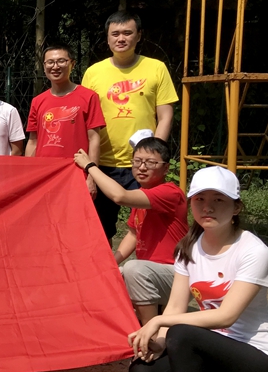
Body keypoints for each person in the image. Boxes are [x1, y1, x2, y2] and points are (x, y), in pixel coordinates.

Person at [127, 167, 268, 372]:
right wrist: (158, 343)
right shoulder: (188, 248)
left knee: (181, 332)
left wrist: (158, 323)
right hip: (213, 347)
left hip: (256, 360)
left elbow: (226, 316)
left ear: (236, 207)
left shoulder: (253, 250)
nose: (207, 207)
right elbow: (174, 308)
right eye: (199, 199)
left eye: (218, 200)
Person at [82, 11, 179, 241]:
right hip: (102, 164)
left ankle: (148, 263)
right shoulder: (93, 73)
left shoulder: (156, 68)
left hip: (143, 163)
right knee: (98, 229)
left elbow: (165, 116)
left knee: (150, 225)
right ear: (107, 38)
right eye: (115, 34)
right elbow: (86, 122)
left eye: (127, 33)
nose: (121, 38)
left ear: (139, 36)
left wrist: (154, 156)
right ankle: (104, 264)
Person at [75, 137, 187, 324]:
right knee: (105, 276)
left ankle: (150, 332)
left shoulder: (169, 192)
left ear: (166, 168)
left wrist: (90, 166)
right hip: (150, 273)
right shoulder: (142, 195)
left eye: (150, 163)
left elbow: (119, 196)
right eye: (137, 161)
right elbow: (133, 234)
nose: (142, 167)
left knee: (134, 269)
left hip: (178, 275)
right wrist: (111, 263)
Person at [26, 45, 105, 198]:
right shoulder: (37, 101)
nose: (55, 66)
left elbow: (94, 139)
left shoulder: (88, 97)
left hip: (75, 173)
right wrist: (28, 174)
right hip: (43, 175)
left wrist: (92, 177)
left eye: (61, 61)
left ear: (72, 64)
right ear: (44, 66)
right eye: (50, 62)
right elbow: (33, 141)